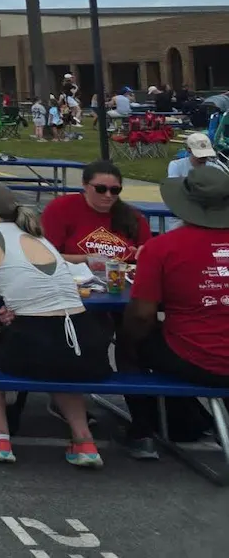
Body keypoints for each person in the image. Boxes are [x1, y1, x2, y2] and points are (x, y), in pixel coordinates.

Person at [0, 182, 110, 467]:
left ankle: (0, 435)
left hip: (37, 342)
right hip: (87, 340)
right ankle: (84, 440)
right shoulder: (39, 237)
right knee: (59, 360)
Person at [120, 165, 229, 459]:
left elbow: (142, 314)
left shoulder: (163, 247)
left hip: (197, 356)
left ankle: (142, 431)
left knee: (128, 343)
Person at [41, 160, 151, 263]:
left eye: (115, 190)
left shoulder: (133, 217)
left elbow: (148, 254)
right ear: (84, 185)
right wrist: (86, 259)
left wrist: (143, 255)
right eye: (101, 189)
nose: (108, 195)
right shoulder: (61, 208)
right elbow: (46, 255)